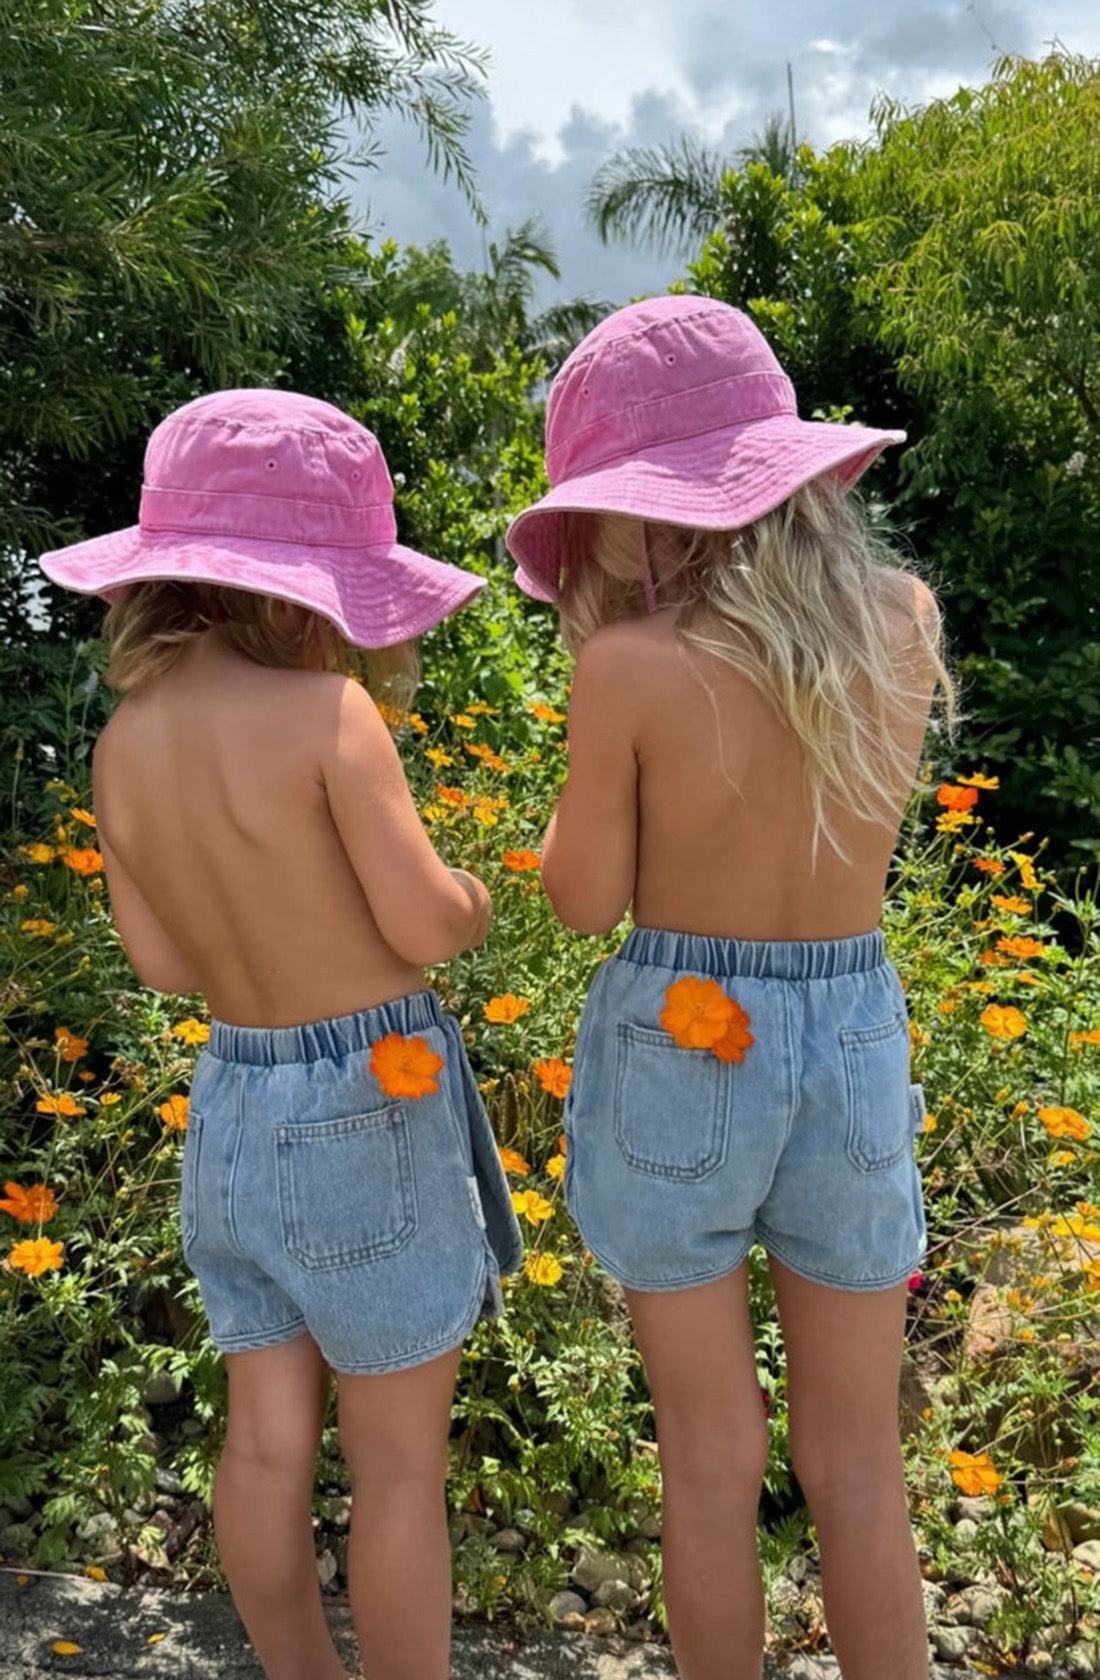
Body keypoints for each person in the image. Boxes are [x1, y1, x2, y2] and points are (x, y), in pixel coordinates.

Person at [38, 389, 523, 1680]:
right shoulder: (330, 718)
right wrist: (473, 901)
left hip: (234, 1109)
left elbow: (159, 959)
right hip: (372, 1091)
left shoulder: (123, 746)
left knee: (262, 1440)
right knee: (398, 1466)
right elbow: (422, 918)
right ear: (306, 589)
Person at [506, 296, 953, 1680]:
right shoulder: (901, 620)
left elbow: (586, 901)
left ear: (637, 508)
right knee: (859, 1457)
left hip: (683, 1048)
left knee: (709, 1459)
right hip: (853, 1038)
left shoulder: (629, 666)